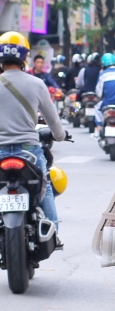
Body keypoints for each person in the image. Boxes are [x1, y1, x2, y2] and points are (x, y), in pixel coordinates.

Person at [0, 32, 66, 228]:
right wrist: (60, 135)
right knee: (43, 186)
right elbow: (53, 121)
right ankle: (52, 226)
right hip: (29, 150)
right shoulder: (37, 84)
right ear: (25, 57)